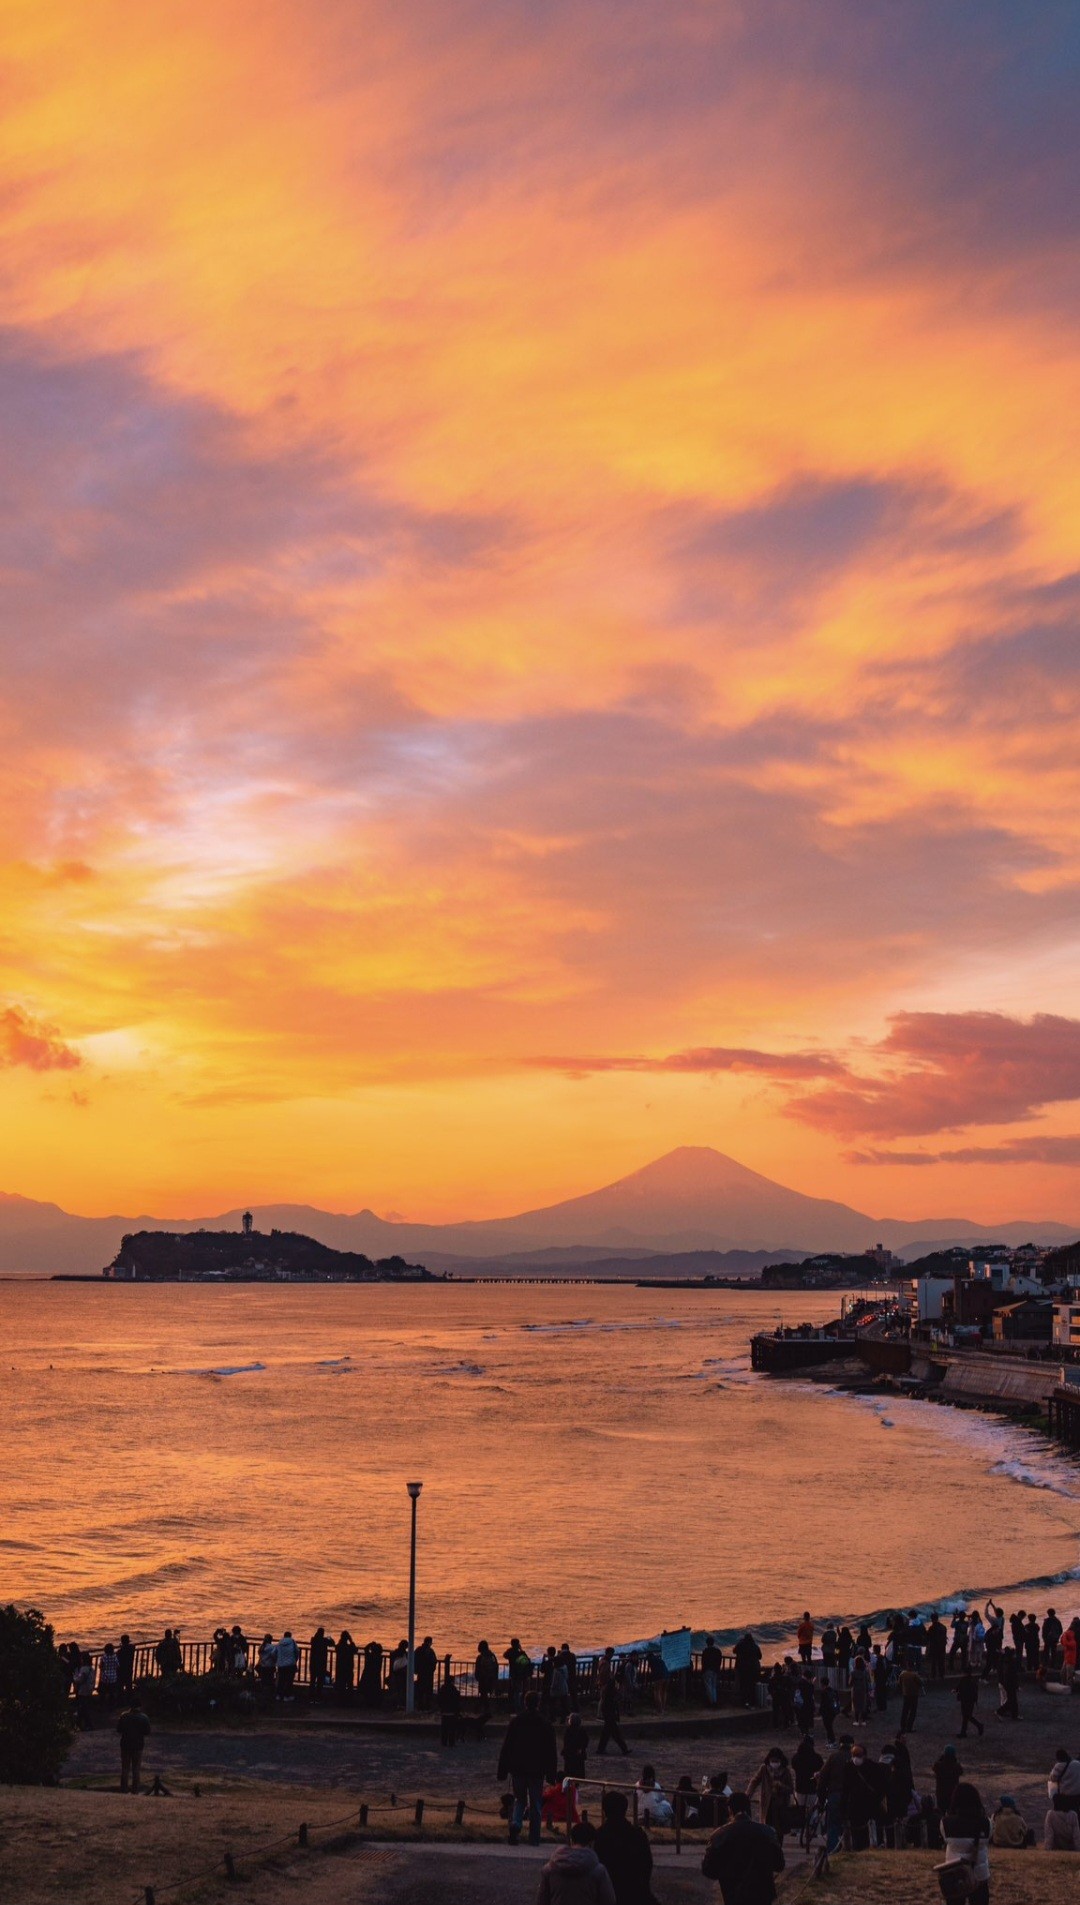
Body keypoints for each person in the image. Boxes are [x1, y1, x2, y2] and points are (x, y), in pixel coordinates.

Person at [701, 1790, 785, 1905]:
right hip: (762, 1897)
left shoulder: (719, 1835)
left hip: (732, 1896)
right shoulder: (767, 1832)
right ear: (749, 1808)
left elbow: (708, 1870)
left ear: (730, 1810)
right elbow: (779, 1865)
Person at [498, 1691, 558, 1847]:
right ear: (538, 1703)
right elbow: (551, 1751)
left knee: (520, 1800)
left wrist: (503, 1769)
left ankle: (516, 1824)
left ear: (525, 1703)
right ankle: (534, 1838)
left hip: (518, 1768)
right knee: (536, 1803)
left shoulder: (517, 1721)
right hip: (537, 1770)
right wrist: (551, 1774)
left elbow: (507, 1746)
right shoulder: (544, 1723)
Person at [592, 1790, 655, 1905]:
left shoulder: (599, 1836)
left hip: (608, 1893)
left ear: (604, 1811)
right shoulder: (637, 1835)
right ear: (625, 1810)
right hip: (635, 1892)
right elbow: (647, 1865)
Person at [537, 1823, 618, 1905]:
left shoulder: (549, 1869)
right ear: (591, 1843)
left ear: (572, 1840)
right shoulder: (599, 1871)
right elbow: (609, 1901)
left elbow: (541, 1901)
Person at [941, 1781, 991, 1905]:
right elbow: (989, 1838)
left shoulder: (946, 1823)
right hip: (979, 1875)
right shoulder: (986, 1823)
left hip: (954, 1874)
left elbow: (945, 1839)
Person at [816, 1737, 854, 1853]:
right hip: (852, 1797)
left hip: (835, 1795)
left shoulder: (833, 1757)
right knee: (852, 1824)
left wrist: (821, 1800)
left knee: (833, 1826)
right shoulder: (854, 1758)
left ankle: (832, 1853)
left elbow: (822, 1779)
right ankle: (851, 1849)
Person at [747, 1748, 793, 1840]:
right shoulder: (764, 1769)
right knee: (766, 1829)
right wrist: (748, 1794)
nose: (774, 1763)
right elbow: (754, 1781)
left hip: (781, 1806)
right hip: (767, 1805)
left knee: (779, 1832)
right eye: (772, 1761)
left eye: (776, 1761)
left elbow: (791, 1789)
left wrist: (781, 1787)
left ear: (781, 1761)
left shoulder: (786, 1771)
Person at [117, 1701, 151, 1795]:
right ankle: (135, 1790)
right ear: (140, 1706)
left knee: (125, 1768)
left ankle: (123, 1789)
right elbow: (147, 1732)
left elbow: (119, 1730)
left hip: (125, 1744)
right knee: (136, 1769)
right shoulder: (144, 1718)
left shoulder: (124, 1716)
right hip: (138, 1745)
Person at [596, 1674, 629, 1757]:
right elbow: (613, 1700)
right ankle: (624, 1748)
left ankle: (601, 1748)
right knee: (614, 1732)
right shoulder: (613, 1686)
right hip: (609, 1711)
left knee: (607, 1732)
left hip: (608, 1711)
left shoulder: (610, 1685)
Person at [1048, 1747, 1080, 1818]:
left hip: (1065, 1796)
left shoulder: (1059, 1766)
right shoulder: (1077, 1763)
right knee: (1076, 1812)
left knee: (1066, 1815)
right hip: (1077, 1795)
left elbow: (1052, 1778)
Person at [733, 1631, 761, 1709]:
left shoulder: (741, 1645)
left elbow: (734, 1651)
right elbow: (760, 1656)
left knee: (743, 1685)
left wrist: (739, 1643)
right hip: (754, 1669)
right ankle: (752, 1701)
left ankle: (744, 1702)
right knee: (752, 1685)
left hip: (743, 1668)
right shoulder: (755, 1646)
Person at [933, 1746, 963, 1816]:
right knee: (952, 1813)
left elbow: (934, 1767)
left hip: (941, 1792)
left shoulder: (939, 1765)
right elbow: (961, 1771)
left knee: (940, 1812)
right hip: (952, 1793)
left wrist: (941, 1758)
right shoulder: (956, 1766)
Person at [956, 1664, 984, 1738]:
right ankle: (964, 1731)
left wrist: (955, 1691)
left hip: (964, 1700)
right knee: (967, 1716)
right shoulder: (972, 1681)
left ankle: (965, 1731)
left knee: (966, 1716)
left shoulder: (963, 1680)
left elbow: (958, 1688)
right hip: (970, 1700)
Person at [437, 1672, 463, 1747]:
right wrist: (458, 1711)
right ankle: (451, 1743)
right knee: (452, 1728)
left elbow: (439, 1700)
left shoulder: (442, 1689)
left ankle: (444, 1742)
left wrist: (441, 1708)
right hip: (452, 1712)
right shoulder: (454, 1690)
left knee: (444, 1728)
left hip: (444, 1712)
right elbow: (457, 1701)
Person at [413, 1636, 437, 1712]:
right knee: (428, 1691)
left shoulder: (418, 1650)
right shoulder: (430, 1651)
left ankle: (420, 1706)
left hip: (421, 1673)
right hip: (428, 1674)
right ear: (429, 1642)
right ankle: (427, 1706)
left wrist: (416, 1670)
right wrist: (432, 1670)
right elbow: (434, 1662)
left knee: (420, 1690)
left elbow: (414, 1660)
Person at [995, 1647, 1019, 1721]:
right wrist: (1016, 1685)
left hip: (1008, 1684)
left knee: (1012, 1700)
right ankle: (1000, 1711)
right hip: (1009, 1684)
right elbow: (1011, 1676)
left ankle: (1014, 1715)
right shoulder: (1010, 1663)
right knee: (1011, 1700)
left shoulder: (1006, 1662)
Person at [563, 1713, 589, 1780]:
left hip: (570, 1754)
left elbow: (566, 1742)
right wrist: (581, 1748)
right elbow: (586, 1741)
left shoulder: (568, 1730)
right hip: (579, 1754)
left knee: (569, 1773)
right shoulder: (582, 1730)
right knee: (578, 1772)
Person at [898, 1662, 922, 1734]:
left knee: (905, 1710)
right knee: (913, 1711)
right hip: (914, 1694)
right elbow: (921, 1683)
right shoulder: (915, 1675)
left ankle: (902, 1726)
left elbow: (899, 1683)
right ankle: (909, 1727)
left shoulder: (902, 1674)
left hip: (906, 1694)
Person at [334, 1629, 356, 1702]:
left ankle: (340, 1701)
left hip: (340, 1668)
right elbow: (355, 1650)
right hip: (349, 1669)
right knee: (350, 1686)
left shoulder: (339, 1647)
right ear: (347, 1638)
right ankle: (349, 1701)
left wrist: (341, 1641)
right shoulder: (349, 1647)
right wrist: (351, 1640)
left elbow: (336, 1647)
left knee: (341, 1686)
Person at [701, 1636, 723, 1708]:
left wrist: (703, 1671)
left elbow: (703, 1662)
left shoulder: (705, 1651)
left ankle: (712, 1702)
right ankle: (714, 1701)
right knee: (713, 1687)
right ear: (713, 1643)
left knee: (708, 1686)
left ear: (707, 1643)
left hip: (708, 1670)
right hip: (715, 1670)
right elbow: (719, 1661)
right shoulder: (718, 1651)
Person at [276, 1630, 298, 1701]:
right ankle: (287, 1696)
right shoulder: (292, 1642)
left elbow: (275, 1652)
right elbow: (297, 1651)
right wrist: (295, 1660)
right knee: (289, 1681)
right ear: (290, 1636)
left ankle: (279, 1695)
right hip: (290, 1664)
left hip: (281, 1665)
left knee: (281, 1681)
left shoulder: (280, 1642)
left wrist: (278, 1660)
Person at [849, 1654, 870, 1726]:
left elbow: (850, 1683)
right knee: (863, 1704)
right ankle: (864, 1721)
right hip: (863, 1689)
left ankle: (857, 1720)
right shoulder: (865, 1672)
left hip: (855, 1690)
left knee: (856, 1705)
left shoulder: (853, 1673)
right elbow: (868, 1681)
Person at [309, 1626, 329, 1701]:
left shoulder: (313, 1639)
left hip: (313, 1663)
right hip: (321, 1664)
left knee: (312, 1681)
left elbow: (312, 1640)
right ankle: (318, 1697)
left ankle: (311, 1697)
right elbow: (332, 1643)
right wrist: (329, 1638)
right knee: (320, 1682)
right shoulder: (324, 1640)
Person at [98, 1642, 119, 1711]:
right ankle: (111, 1706)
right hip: (113, 1677)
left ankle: (102, 1707)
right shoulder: (115, 1656)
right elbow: (117, 1665)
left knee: (103, 1693)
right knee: (112, 1693)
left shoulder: (104, 1657)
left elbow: (101, 1666)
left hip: (105, 1677)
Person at [926, 1614, 947, 1681]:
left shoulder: (932, 1628)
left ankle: (933, 1675)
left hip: (934, 1647)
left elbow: (928, 1637)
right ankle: (941, 1675)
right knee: (941, 1661)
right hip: (942, 1646)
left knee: (934, 1662)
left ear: (932, 1619)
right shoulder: (943, 1627)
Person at [116, 1634, 135, 1700]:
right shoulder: (131, 1648)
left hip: (122, 1670)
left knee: (120, 1686)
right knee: (129, 1685)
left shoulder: (120, 1652)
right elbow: (132, 1646)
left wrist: (121, 1647)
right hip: (129, 1669)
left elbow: (118, 1660)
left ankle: (121, 1700)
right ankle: (129, 1699)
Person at [818, 1679, 837, 1746]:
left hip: (827, 1712)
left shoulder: (824, 1692)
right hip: (833, 1711)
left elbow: (823, 1703)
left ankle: (832, 1741)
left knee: (828, 1727)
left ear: (822, 1684)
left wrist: (820, 1712)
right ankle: (831, 1741)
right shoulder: (832, 1690)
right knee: (829, 1726)